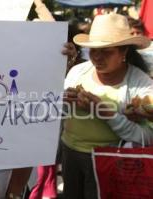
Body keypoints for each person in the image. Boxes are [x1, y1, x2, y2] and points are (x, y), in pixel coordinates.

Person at [62, 13, 153, 199]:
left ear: (124, 51)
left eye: (107, 51)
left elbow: (147, 138)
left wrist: (105, 113)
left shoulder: (140, 84)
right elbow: (60, 115)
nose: (97, 57)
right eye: (94, 50)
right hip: (70, 154)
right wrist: (63, 101)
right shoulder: (77, 72)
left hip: (112, 162)